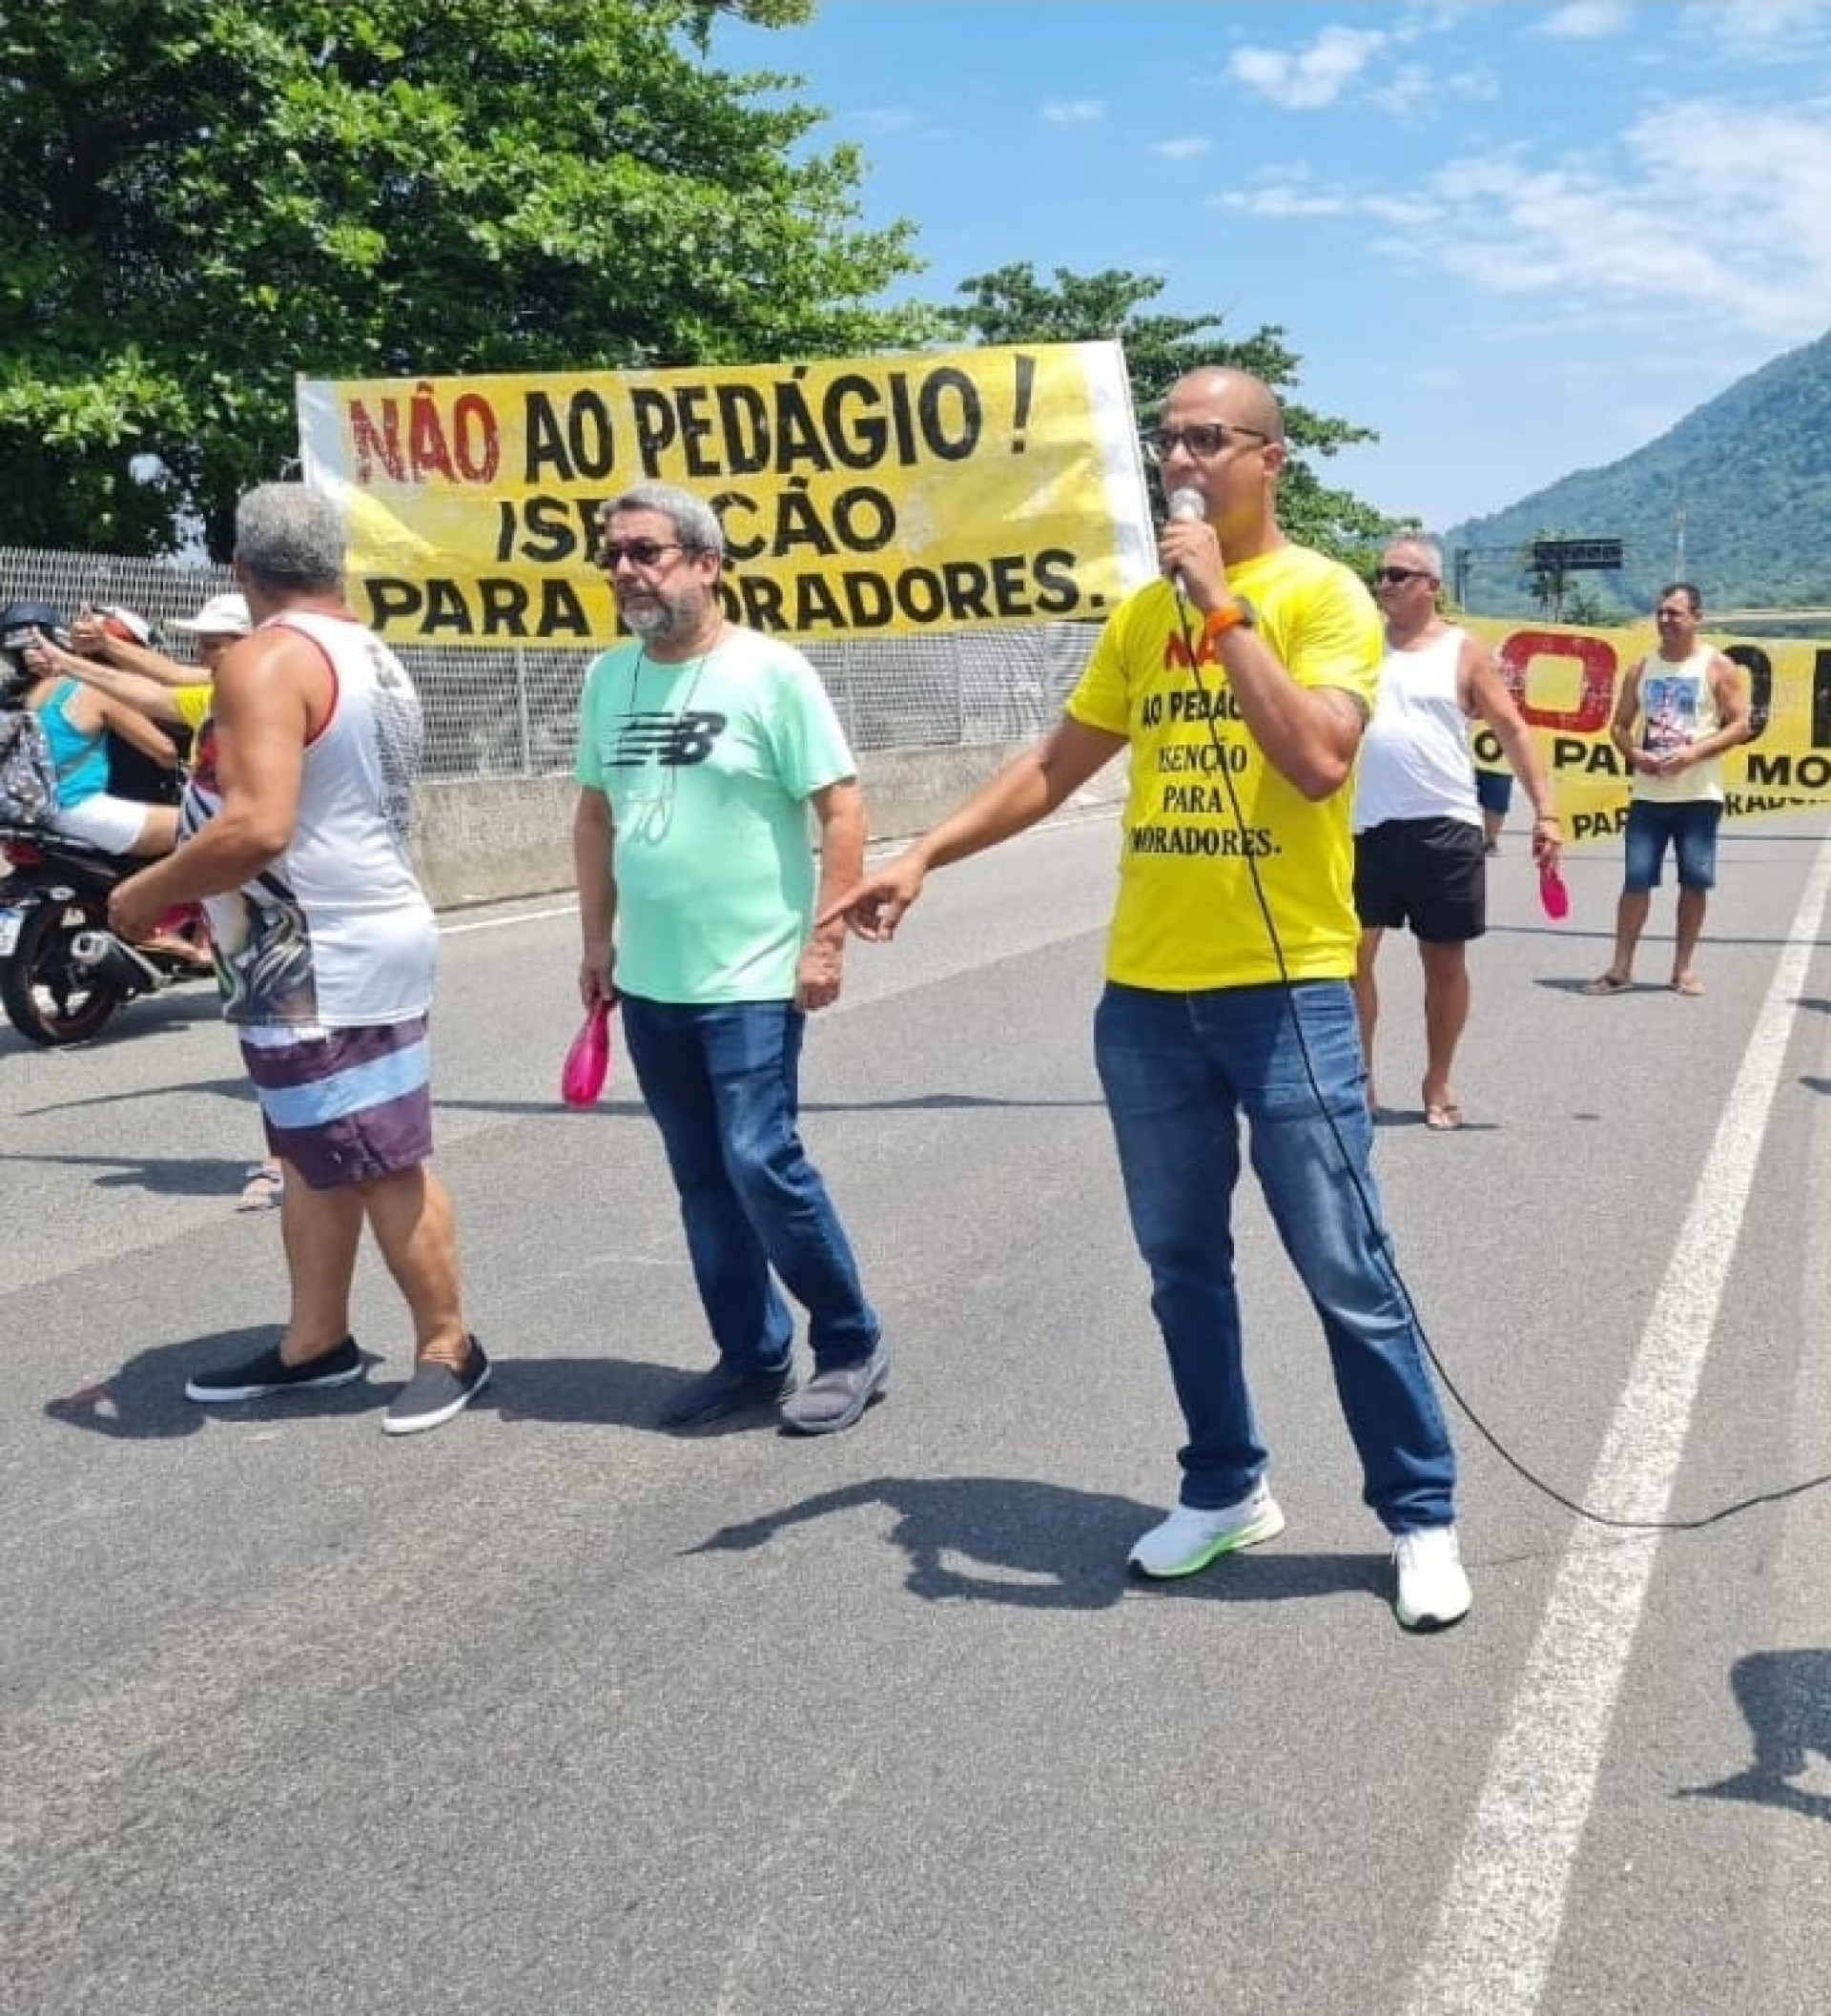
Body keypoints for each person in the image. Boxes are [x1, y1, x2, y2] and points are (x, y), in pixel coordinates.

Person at [822, 366, 1471, 1631]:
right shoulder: (1139, 616)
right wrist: (922, 854)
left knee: (1345, 1266)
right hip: (1148, 1001)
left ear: (1269, 459)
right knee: (1182, 1265)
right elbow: (1059, 762)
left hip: (1284, 996)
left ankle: (1419, 1511)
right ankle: (1225, 1484)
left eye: (1208, 438)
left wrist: (1224, 610)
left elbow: (1317, 755)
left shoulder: (1321, 596)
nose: (1182, 458)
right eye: (1167, 439)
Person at [108, 483, 489, 1435]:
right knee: (316, 1157)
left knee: (378, 1157)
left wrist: (146, 893)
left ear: (240, 569)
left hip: (322, 953)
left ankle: (450, 1343)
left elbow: (258, 824)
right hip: (320, 943)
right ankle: (314, 1342)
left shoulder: (269, 658)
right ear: (337, 562)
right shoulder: (363, 649)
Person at [572, 480, 885, 1435]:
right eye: (614, 554)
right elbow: (594, 813)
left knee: (760, 1156)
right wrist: (595, 941)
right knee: (702, 1172)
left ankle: (848, 1339)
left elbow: (842, 807)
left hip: (752, 972)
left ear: (707, 564)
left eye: (647, 552)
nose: (626, 570)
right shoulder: (605, 678)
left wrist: (825, 939)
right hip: (652, 977)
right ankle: (750, 1355)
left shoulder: (771, 673)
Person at [42, 590, 281, 1205]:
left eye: (214, 645)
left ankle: (290, 1161)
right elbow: (159, 689)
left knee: (285, 1032)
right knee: (261, 1035)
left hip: (274, 899)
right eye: (200, 646)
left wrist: (93, 655)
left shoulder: (272, 700)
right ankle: (299, 1155)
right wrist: (81, 661)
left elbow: (170, 680)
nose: (202, 657)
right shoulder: (215, 696)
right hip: (230, 901)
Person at [1353, 536, 1563, 1128]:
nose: (1387, 583)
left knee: (1443, 960)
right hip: (1361, 826)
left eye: (1400, 574)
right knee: (1349, 959)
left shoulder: (1463, 652)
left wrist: (1546, 812)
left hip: (1444, 825)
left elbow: (1514, 730)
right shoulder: (1357, 643)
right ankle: (1360, 1078)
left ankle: (1438, 1078)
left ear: (1432, 586)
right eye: (1382, 573)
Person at [1582, 582, 1751, 998]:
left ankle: (1683, 969)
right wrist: (1634, 754)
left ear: (1696, 617)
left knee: (1694, 882)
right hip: (1648, 795)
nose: (1665, 620)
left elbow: (1742, 724)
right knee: (1636, 880)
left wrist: (1694, 754)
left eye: (1675, 613)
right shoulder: (1641, 668)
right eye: (1661, 612)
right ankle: (1621, 968)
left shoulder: (1717, 666)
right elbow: (1619, 725)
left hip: (1698, 795)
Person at [11, 605, 185, 857]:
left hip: (33, 810)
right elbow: (166, 752)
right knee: (202, 825)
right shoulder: (97, 691)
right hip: (78, 808)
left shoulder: (29, 694)